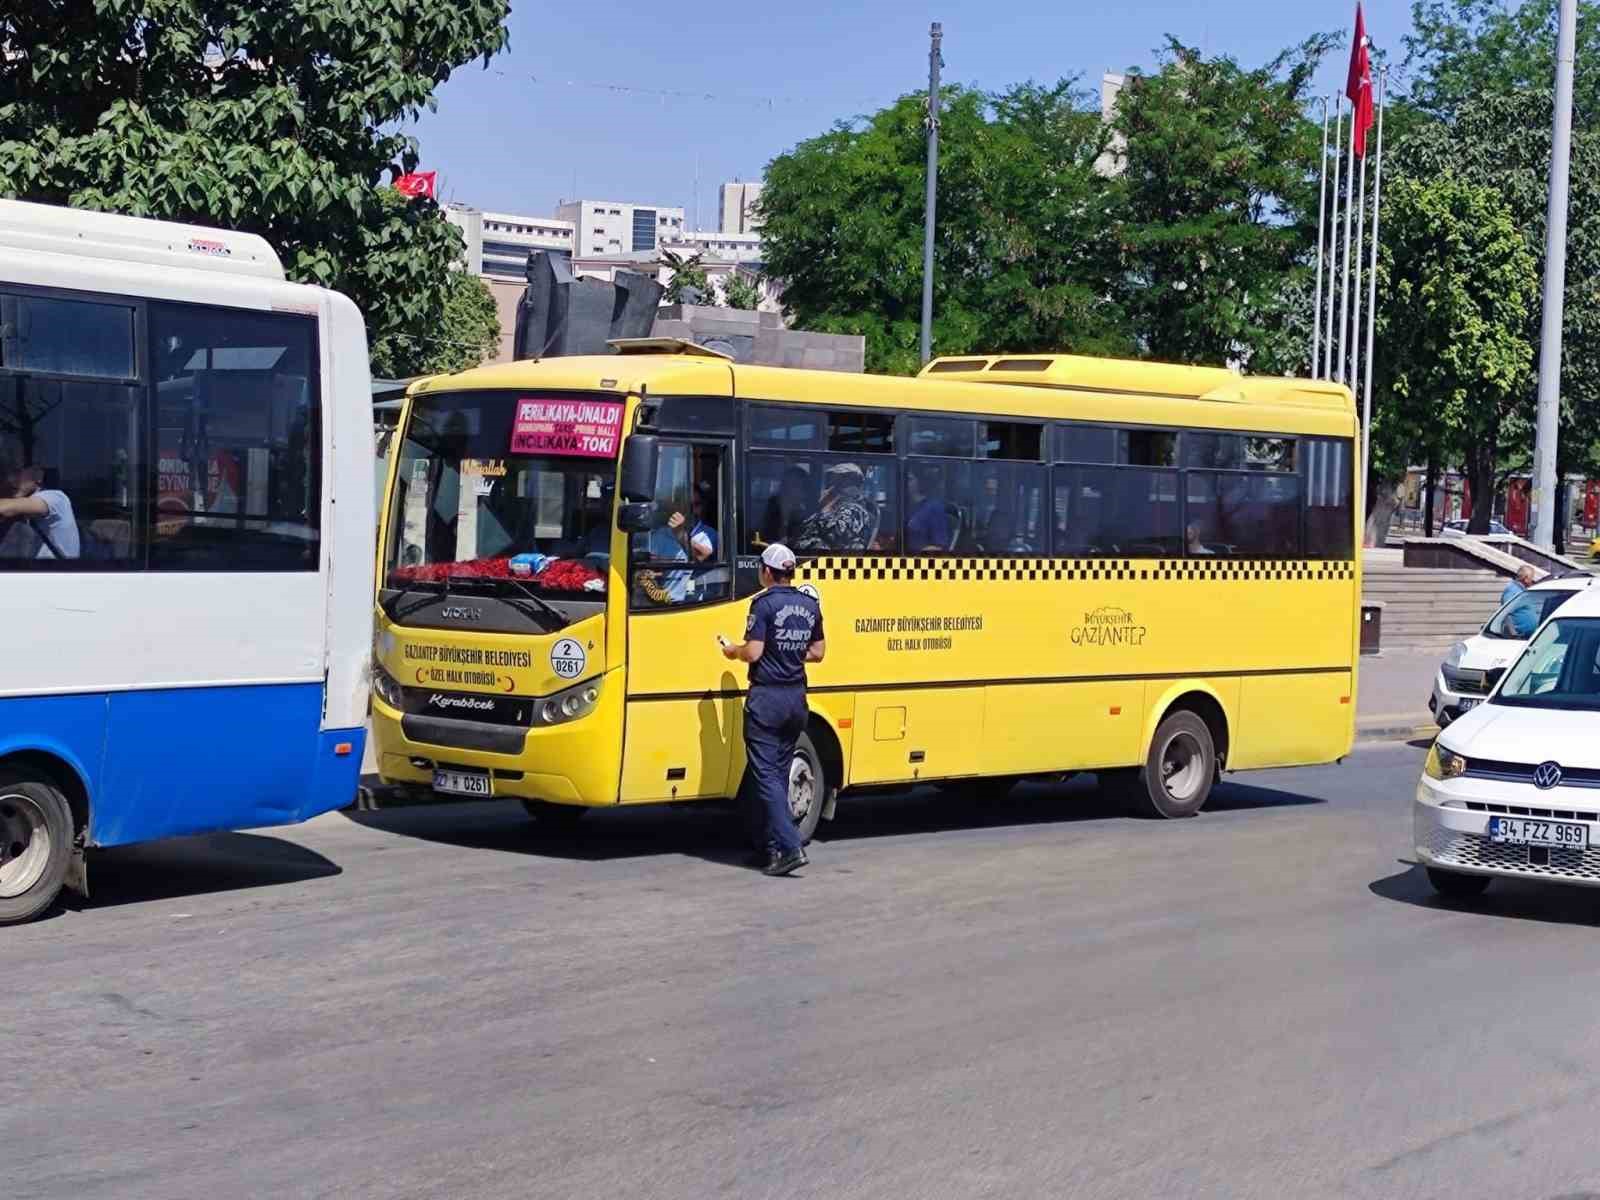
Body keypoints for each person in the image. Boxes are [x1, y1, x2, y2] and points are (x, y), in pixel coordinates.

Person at [720, 543, 825, 877]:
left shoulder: (762, 604)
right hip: (796, 700)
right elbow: (819, 652)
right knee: (777, 775)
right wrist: (789, 655)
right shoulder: (809, 604)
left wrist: (731, 650)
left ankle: (791, 847)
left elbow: (752, 652)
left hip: (768, 700)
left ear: (766, 571)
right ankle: (773, 848)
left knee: (766, 777)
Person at [0, 465, 80, 560]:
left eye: (18, 473)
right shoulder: (22, 511)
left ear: (38, 477)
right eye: (7, 475)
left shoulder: (55, 497)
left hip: (55, 572)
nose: (11, 480)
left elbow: (5, 507)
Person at [794, 462, 876, 552]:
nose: (830, 485)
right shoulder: (837, 505)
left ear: (849, 481)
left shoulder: (854, 508)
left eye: (835, 480)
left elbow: (836, 533)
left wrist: (823, 512)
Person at [906, 469, 951, 552]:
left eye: (909, 479)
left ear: (919, 482)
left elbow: (939, 547)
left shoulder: (934, 508)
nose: (904, 482)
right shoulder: (904, 506)